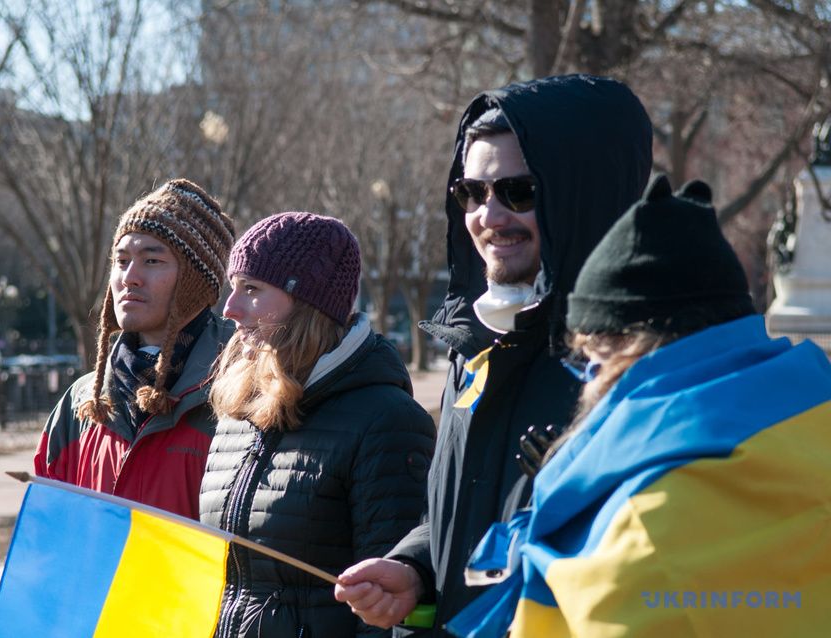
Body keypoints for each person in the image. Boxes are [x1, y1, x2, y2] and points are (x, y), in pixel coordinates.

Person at [335, 74, 653, 633]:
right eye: (472, 192)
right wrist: (414, 567)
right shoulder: (475, 343)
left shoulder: (641, 364)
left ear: (584, 193)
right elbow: (454, 511)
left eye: (519, 192)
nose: (489, 216)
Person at [448, 174, 831, 637]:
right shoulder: (814, 418)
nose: (585, 379)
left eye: (588, 356)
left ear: (621, 351)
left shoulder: (634, 529)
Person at [199, 212, 436, 637]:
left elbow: (389, 613)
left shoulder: (387, 420)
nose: (230, 309)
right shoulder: (236, 414)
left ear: (309, 304)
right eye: (234, 288)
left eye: (252, 289)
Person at [34, 179, 236, 520]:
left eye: (152, 261)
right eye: (121, 260)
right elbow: (48, 532)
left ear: (196, 284)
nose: (130, 277)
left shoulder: (242, 397)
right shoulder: (82, 404)